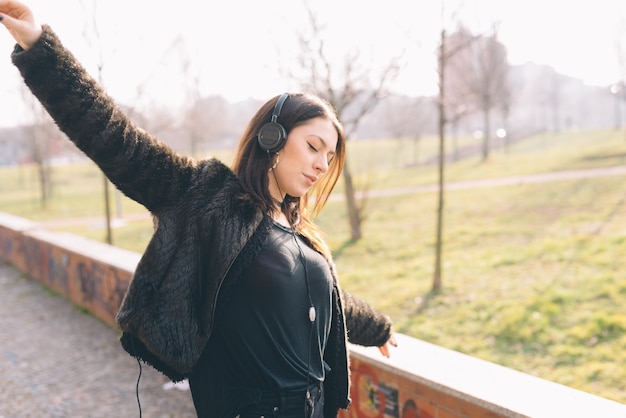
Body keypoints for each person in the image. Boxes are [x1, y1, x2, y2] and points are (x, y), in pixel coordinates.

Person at [0, 2, 397, 417]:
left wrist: (379, 328)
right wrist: (39, 45)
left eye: (330, 157)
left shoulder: (298, 231)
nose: (321, 164)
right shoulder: (206, 199)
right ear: (271, 138)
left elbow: (329, 300)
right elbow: (112, 135)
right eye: (313, 146)